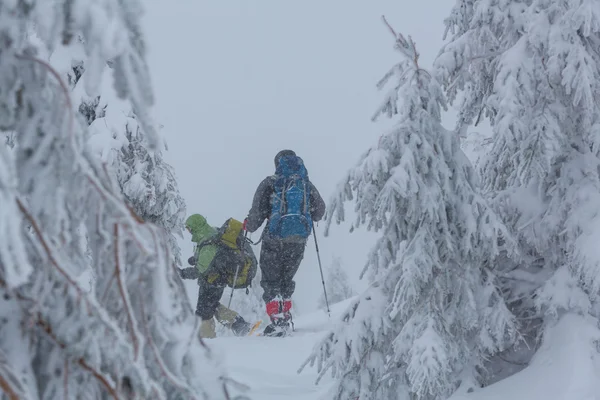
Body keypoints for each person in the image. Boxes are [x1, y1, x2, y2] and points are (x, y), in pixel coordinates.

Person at [244, 150, 325, 336]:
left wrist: (249, 225)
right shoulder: (306, 184)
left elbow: (256, 217)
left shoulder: (270, 183)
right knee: (286, 281)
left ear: (277, 164)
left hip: (274, 240)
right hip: (298, 241)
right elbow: (320, 211)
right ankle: (285, 317)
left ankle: (278, 322)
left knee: (271, 281)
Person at [179, 214, 259, 339]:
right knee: (213, 306)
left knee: (203, 313)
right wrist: (196, 259)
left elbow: (200, 270)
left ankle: (206, 339)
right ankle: (240, 325)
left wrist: (182, 273)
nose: (189, 231)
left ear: (196, 226)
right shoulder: (212, 234)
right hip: (217, 280)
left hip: (212, 281)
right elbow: (213, 258)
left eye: (190, 228)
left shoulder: (208, 243)